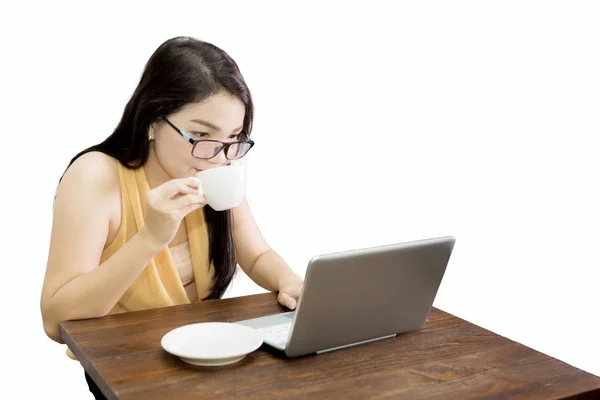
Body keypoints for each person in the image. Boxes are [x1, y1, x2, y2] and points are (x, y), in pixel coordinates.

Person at [39, 36, 304, 399]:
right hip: (123, 367)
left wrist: (288, 280)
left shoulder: (218, 165)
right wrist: (150, 238)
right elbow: (56, 320)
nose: (217, 155)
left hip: (202, 356)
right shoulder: (95, 177)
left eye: (233, 137)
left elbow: (256, 254)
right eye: (199, 134)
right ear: (152, 119)